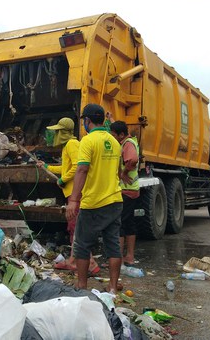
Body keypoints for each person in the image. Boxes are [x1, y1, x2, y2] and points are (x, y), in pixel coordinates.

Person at [66, 103, 123, 293]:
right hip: (115, 201)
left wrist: (73, 200)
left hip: (94, 202)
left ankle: (82, 285)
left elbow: (82, 169)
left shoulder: (88, 141)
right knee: (113, 244)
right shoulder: (115, 142)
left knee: (82, 244)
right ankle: (113, 288)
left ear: (87, 121)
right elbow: (119, 171)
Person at [37, 117, 100, 275]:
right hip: (73, 194)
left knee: (76, 229)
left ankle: (90, 264)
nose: (56, 134)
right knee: (75, 228)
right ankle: (73, 261)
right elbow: (66, 168)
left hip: (75, 194)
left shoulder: (72, 144)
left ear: (63, 132)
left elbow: (78, 167)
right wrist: (46, 166)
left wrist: (63, 180)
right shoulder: (68, 146)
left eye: (58, 131)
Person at [109, 120, 140, 266]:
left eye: (113, 134)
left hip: (127, 190)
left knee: (120, 223)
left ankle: (120, 257)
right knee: (129, 223)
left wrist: (123, 172)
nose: (111, 137)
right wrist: (111, 118)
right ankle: (129, 256)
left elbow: (133, 159)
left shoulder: (127, 144)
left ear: (121, 134)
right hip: (131, 190)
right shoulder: (129, 140)